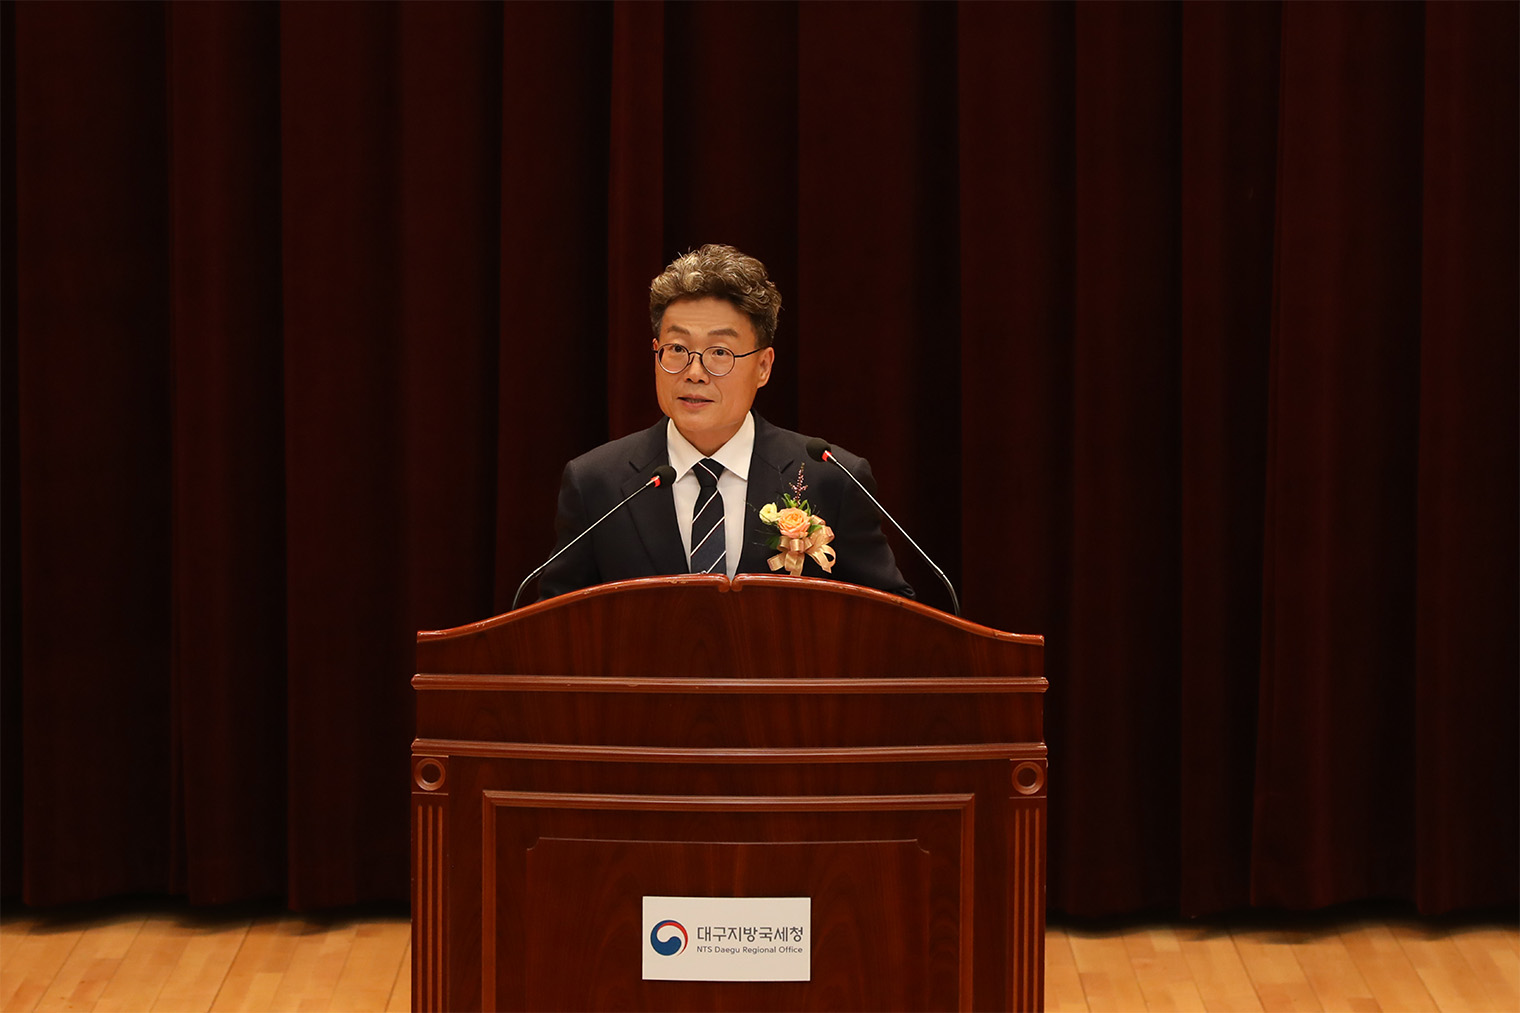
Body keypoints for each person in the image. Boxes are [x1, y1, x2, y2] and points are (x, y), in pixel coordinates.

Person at [537, 244, 912, 600]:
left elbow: (892, 617)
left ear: (763, 366)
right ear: (655, 353)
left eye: (719, 352)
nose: (694, 372)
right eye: (677, 349)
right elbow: (554, 625)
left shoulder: (832, 479)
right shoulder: (596, 484)